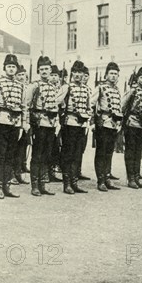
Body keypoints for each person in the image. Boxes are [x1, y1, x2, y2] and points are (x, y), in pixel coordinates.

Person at [0, 54, 29, 199]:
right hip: (1, 122)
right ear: (5, 68)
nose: (11, 69)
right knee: (1, 155)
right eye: (9, 67)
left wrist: (24, 123)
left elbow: (24, 106)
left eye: (13, 67)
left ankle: (7, 186)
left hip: (16, 123)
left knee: (10, 155)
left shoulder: (21, 86)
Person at [26, 56, 67, 196]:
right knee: (37, 155)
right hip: (39, 124)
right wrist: (27, 123)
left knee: (47, 155)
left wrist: (57, 123)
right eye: (42, 69)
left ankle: (43, 184)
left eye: (46, 69)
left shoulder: (54, 86)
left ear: (50, 70)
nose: (44, 71)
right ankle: (35, 185)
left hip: (51, 124)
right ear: (38, 70)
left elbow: (56, 105)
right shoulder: (34, 85)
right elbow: (26, 105)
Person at [59, 60, 92, 194]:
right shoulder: (66, 87)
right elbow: (56, 102)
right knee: (68, 153)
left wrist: (87, 115)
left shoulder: (86, 89)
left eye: (80, 72)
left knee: (77, 154)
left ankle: (74, 182)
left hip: (81, 124)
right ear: (72, 73)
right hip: (69, 123)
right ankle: (67, 184)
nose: (78, 75)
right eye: (75, 72)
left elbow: (89, 107)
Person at [90, 62, 122, 191]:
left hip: (113, 124)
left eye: (116, 74)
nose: (113, 76)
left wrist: (119, 123)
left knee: (109, 152)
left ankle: (107, 178)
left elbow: (119, 107)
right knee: (101, 152)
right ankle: (100, 180)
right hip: (103, 123)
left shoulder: (117, 89)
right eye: (111, 74)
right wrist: (93, 122)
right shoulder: (100, 88)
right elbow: (91, 104)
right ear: (106, 75)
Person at [121, 67, 142, 189]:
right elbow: (122, 105)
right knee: (130, 152)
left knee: (138, 152)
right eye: (141, 77)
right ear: (137, 78)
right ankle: (131, 179)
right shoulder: (132, 91)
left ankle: (137, 177)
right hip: (132, 123)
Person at [12, 64, 30, 185]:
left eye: (23, 74)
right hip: (14, 121)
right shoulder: (14, 87)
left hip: (26, 122)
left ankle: (18, 173)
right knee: (13, 149)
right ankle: (12, 174)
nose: (21, 77)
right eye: (19, 75)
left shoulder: (28, 87)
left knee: (22, 149)